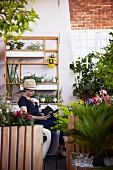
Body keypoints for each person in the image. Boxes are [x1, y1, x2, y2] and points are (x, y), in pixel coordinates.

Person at [18, 79, 66, 157]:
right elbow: (25, 116)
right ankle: (61, 149)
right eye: (31, 91)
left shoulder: (31, 98)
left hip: (41, 118)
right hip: (35, 121)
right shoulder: (22, 100)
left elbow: (39, 111)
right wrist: (42, 118)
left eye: (34, 91)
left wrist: (37, 103)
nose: (33, 93)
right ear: (25, 89)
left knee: (60, 121)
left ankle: (61, 147)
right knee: (55, 124)